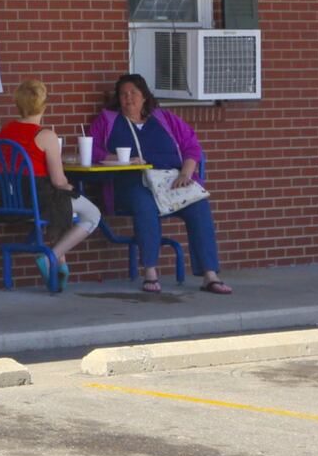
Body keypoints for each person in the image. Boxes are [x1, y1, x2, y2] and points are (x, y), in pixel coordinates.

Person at [87, 73, 231, 294]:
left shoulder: (164, 118)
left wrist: (186, 173)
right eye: (123, 94)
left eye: (134, 93)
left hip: (171, 181)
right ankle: (150, 271)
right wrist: (120, 159)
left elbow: (192, 146)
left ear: (144, 96)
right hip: (130, 184)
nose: (128, 98)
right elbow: (93, 150)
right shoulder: (107, 120)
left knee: (199, 206)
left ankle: (210, 275)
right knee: (145, 205)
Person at [0, 78, 99, 290]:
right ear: (44, 105)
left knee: (66, 208)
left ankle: (59, 259)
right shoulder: (46, 135)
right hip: (39, 199)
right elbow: (58, 180)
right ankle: (52, 256)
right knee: (92, 214)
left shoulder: (5, 131)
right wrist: (70, 188)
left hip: (10, 199)